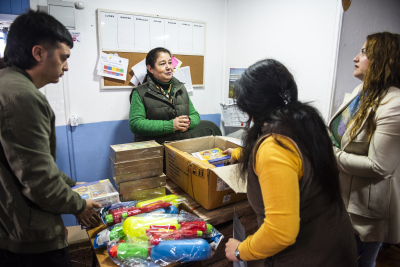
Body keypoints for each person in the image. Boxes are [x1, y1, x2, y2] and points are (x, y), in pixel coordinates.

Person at [224, 59, 358, 266]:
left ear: (252, 108)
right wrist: (240, 154)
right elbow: (294, 162)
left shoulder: (273, 147)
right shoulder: (305, 123)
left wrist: (241, 250)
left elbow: (280, 232)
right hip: (337, 243)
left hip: (308, 256)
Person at [0, 10, 101, 267]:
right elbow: (38, 178)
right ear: (38, 53)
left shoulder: (7, 84)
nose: (66, 66)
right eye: (64, 58)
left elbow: (29, 160)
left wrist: (72, 183)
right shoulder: (22, 97)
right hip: (29, 237)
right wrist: (80, 206)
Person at [328, 32, 400, 267]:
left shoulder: (394, 104)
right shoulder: (361, 92)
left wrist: (332, 154)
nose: (355, 58)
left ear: (383, 60)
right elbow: (341, 135)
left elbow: (379, 166)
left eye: (364, 52)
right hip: (343, 198)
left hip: (366, 210)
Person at [129, 47, 221, 144]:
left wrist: (187, 122)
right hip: (157, 150)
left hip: (182, 145)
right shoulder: (140, 92)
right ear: (150, 68)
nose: (168, 67)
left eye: (170, 62)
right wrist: (171, 125)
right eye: (162, 64)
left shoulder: (180, 88)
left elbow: (195, 115)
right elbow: (136, 124)